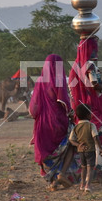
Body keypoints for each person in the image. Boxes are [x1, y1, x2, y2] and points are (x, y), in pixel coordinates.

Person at [69, 38, 102, 184]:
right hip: (95, 111)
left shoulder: (74, 66)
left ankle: (86, 176)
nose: (95, 50)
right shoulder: (90, 65)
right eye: (94, 47)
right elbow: (96, 85)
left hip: (80, 112)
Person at [30, 54, 80, 191]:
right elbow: (63, 100)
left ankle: (53, 182)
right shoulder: (59, 80)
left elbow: (32, 109)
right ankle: (62, 174)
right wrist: (70, 113)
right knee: (72, 143)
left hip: (43, 124)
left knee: (47, 151)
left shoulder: (40, 81)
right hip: (58, 122)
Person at [69, 104, 102, 193]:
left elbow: (71, 139)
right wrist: (100, 148)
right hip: (90, 150)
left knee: (83, 167)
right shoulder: (91, 125)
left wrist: (78, 145)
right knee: (90, 168)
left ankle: (82, 184)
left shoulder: (76, 127)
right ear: (88, 115)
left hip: (81, 151)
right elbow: (95, 137)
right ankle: (88, 185)